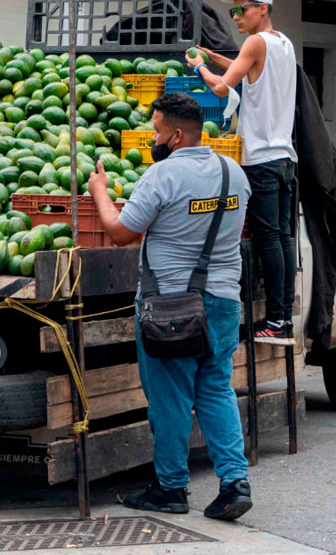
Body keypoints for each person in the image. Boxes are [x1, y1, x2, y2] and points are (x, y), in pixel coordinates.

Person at [89, 92, 254, 521]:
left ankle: (171, 488)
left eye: (158, 131)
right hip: (221, 301)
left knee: (170, 398)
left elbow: (121, 233)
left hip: (169, 309)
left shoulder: (161, 176)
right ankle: (235, 482)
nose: (153, 139)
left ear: (177, 135)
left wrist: (100, 193)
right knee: (216, 389)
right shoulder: (233, 172)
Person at [186, 0, 298, 340]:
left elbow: (222, 86)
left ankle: (277, 322)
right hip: (285, 157)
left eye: (241, 8)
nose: (234, 16)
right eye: (233, 9)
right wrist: (213, 57)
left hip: (261, 159)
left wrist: (197, 69)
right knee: (282, 237)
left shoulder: (254, 42)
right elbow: (244, 66)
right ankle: (285, 317)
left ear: (262, 8)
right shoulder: (283, 44)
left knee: (268, 240)